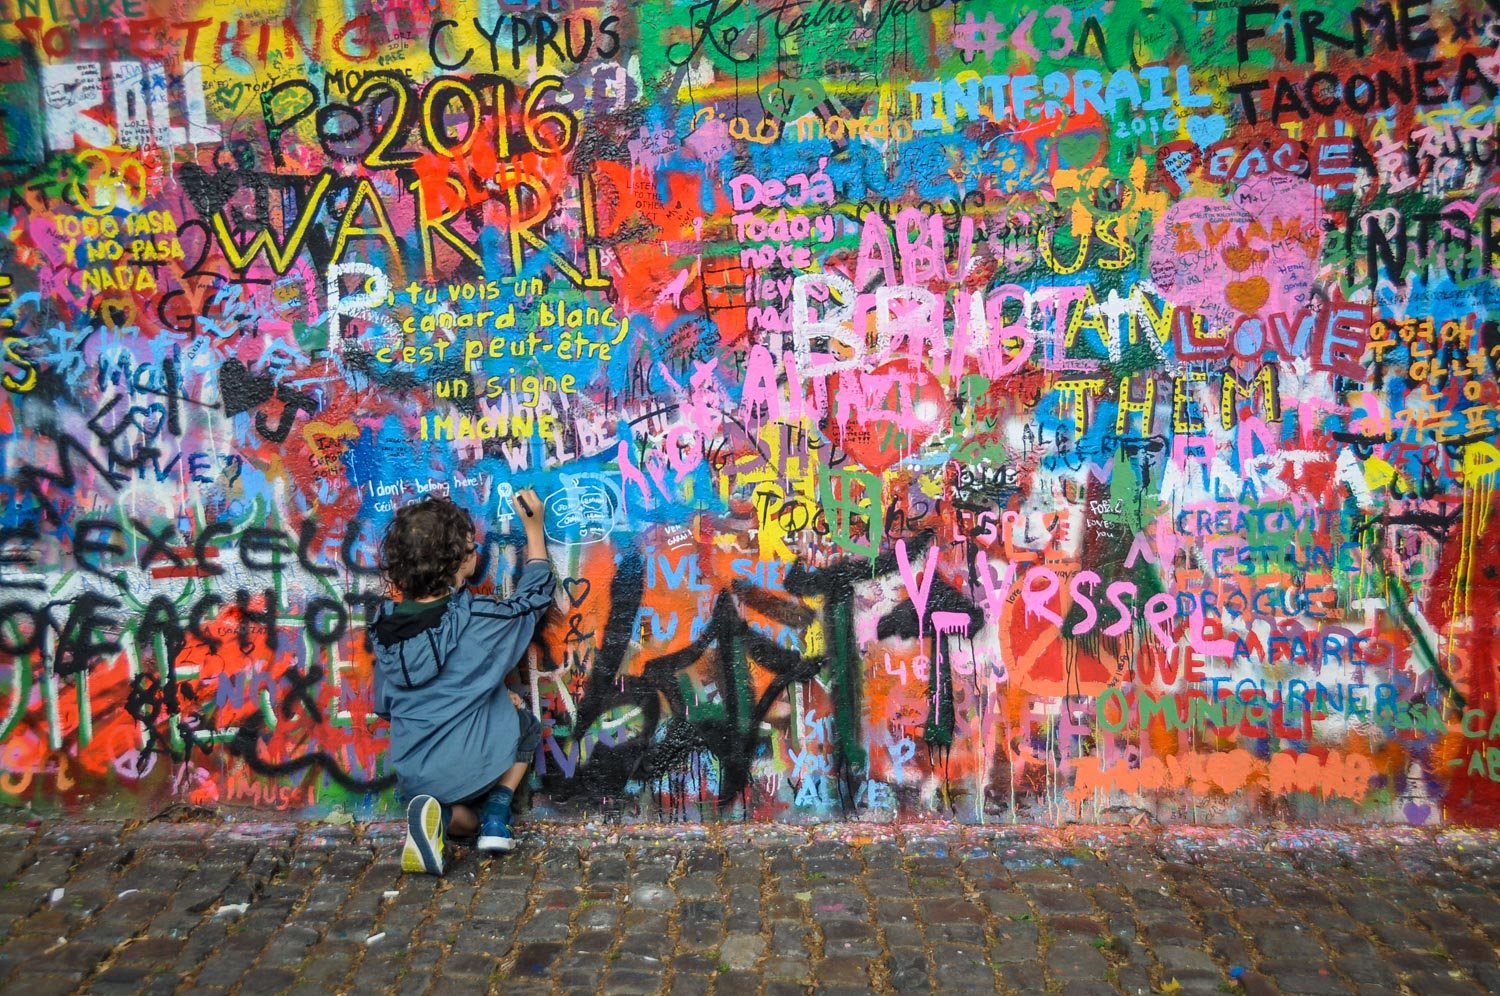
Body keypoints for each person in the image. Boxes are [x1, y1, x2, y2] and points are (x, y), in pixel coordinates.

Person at [370, 490, 554, 876]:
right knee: (525, 722)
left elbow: (384, 706)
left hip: (414, 774)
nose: (476, 553)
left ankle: (438, 816)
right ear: (459, 564)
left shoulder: (385, 628)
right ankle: (497, 814)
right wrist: (534, 529)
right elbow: (534, 600)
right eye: (471, 549)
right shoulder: (478, 619)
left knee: (452, 812)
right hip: (471, 768)